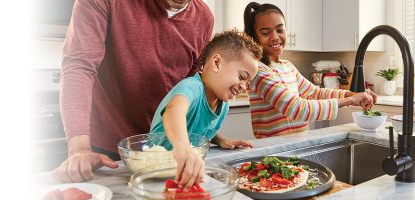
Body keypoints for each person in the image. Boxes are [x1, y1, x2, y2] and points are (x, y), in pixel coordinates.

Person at [53, 0, 214, 183]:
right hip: (106, 148)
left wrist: (211, 133)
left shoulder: (204, 18)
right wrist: (79, 149)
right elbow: (79, 66)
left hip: (164, 149)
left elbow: (190, 88)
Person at [242, 3, 377, 138]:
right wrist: (351, 100)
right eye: (265, 33)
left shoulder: (287, 66)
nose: (275, 37)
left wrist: (352, 94)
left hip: (298, 145)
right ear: (254, 37)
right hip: (274, 152)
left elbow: (314, 92)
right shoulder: (258, 70)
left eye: (280, 30)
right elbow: (297, 108)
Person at [149, 30, 261, 189]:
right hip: (156, 171)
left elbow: (199, 126)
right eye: (242, 77)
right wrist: (184, 149)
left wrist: (220, 139)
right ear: (216, 63)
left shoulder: (223, 104)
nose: (244, 86)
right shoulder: (192, 87)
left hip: (183, 173)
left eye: (248, 82)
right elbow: (174, 111)